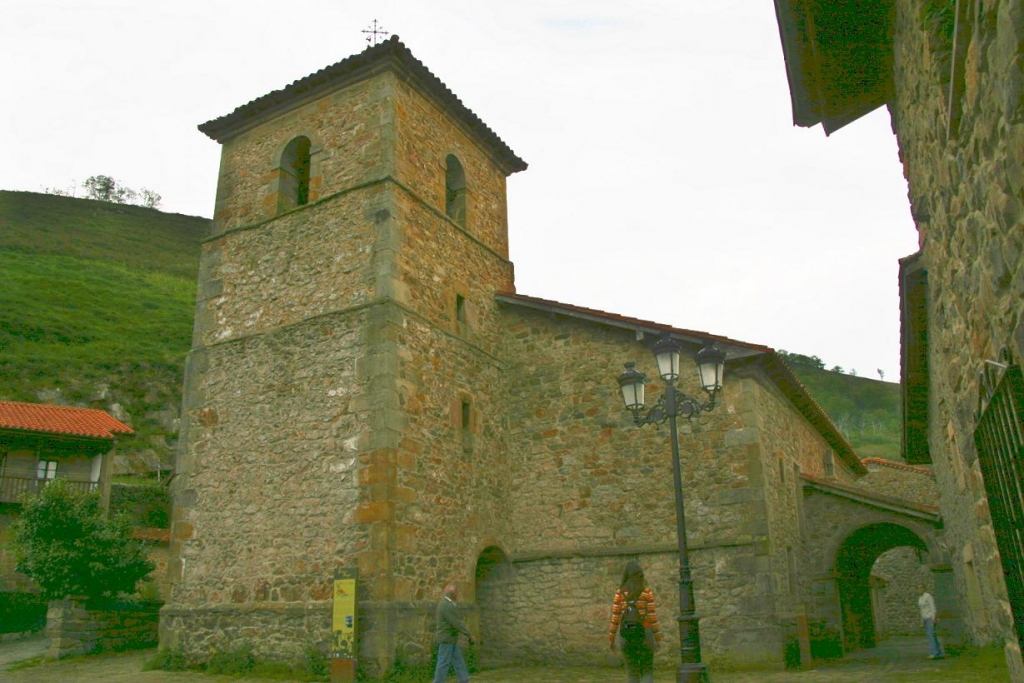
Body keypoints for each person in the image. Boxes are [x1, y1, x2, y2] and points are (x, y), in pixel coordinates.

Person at [608, 561, 662, 683]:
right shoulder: (646, 593)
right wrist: (657, 638)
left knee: (632, 672)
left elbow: (615, 619)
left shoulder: (620, 594)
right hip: (645, 633)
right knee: (646, 670)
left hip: (626, 635)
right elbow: (653, 618)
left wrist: (611, 640)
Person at [433, 583, 475, 683]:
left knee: (458, 661)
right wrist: (469, 634)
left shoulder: (448, 604)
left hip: (451, 639)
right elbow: (456, 623)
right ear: (452, 594)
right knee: (443, 663)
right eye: (456, 592)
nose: (458, 594)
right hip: (446, 639)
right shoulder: (446, 605)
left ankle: (464, 680)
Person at [918, 583, 944, 659]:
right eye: (918, 588)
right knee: (932, 636)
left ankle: (933, 652)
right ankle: (938, 652)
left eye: (921, 588)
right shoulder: (920, 598)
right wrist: (921, 621)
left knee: (931, 635)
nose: (920, 590)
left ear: (924, 588)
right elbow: (921, 610)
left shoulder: (928, 596)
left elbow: (932, 607)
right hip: (925, 618)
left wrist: (934, 618)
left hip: (930, 618)